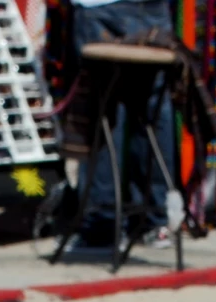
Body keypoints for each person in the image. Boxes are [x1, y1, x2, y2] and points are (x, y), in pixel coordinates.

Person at [68, 0, 177, 248]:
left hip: (101, 7)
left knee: (105, 110)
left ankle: (103, 222)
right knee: (151, 110)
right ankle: (154, 219)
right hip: (150, 9)